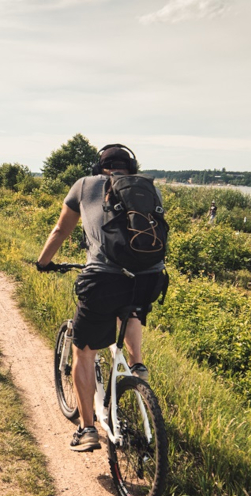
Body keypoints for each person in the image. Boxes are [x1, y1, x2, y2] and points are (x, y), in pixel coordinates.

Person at [35, 143, 167, 452]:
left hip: (104, 278)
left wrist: (43, 262)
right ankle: (137, 366)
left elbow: (60, 230)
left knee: (85, 351)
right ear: (130, 167)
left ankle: (88, 429)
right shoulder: (148, 187)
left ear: (100, 168)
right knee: (131, 310)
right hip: (151, 277)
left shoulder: (85, 185)